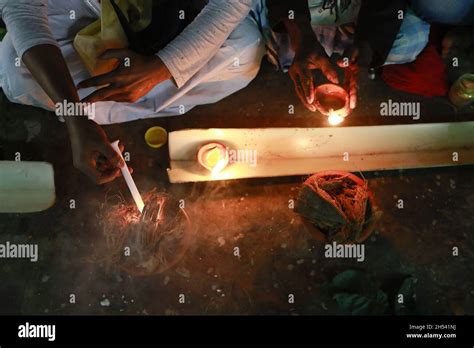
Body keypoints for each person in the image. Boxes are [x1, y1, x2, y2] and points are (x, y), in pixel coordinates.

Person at [0, 0, 266, 184]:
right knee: (15, 72)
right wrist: (76, 121)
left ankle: (126, 89)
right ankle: (99, 101)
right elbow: (24, 12)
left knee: (245, 51)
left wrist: (163, 67)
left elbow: (231, 3)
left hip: (171, 12)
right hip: (83, 9)